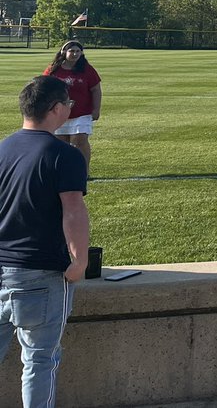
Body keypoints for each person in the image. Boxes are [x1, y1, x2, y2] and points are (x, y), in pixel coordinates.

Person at [0, 75, 90, 407]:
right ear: (55, 109)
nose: (69, 108)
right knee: (39, 361)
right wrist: (79, 261)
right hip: (40, 273)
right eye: (68, 103)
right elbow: (73, 211)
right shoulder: (64, 155)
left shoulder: (4, 148)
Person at [43, 40, 102, 178]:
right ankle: (63, 173)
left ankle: (84, 172)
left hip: (82, 112)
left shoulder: (87, 69)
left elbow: (96, 89)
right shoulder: (54, 69)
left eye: (78, 51)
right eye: (72, 51)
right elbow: (43, 86)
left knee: (79, 140)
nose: (75, 54)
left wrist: (96, 109)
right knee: (61, 144)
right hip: (59, 113)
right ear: (64, 52)